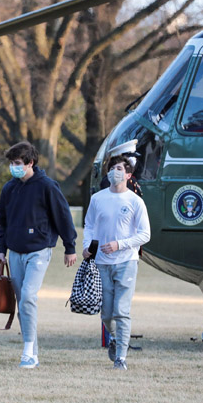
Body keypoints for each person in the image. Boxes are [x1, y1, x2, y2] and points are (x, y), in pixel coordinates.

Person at [0, 141, 77, 369]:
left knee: (29, 296)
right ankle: (32, 349)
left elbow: (63, 216)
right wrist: (1, 249)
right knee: (23, 302)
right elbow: (4, 223)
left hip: (39, 251)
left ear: (30, 163)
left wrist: (69, 247)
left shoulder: (47, 186)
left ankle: (28, 352)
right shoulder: (8, 189)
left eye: (18, 163)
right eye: (12, 163)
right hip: (14, 252)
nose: (14, 167)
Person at [82, 155, 150, 371]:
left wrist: (119, 244)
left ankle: (121, 357)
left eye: (119, 168)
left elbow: (144, 234)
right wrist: (86, 247)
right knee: (107, 314)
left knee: (122, 311)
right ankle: (114, 337)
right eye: (111, 168)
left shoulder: (135, 201)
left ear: (128, 175)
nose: (114, 171)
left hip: (126, 261)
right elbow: (89, 225)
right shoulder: (98, 198)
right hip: (101, 263)